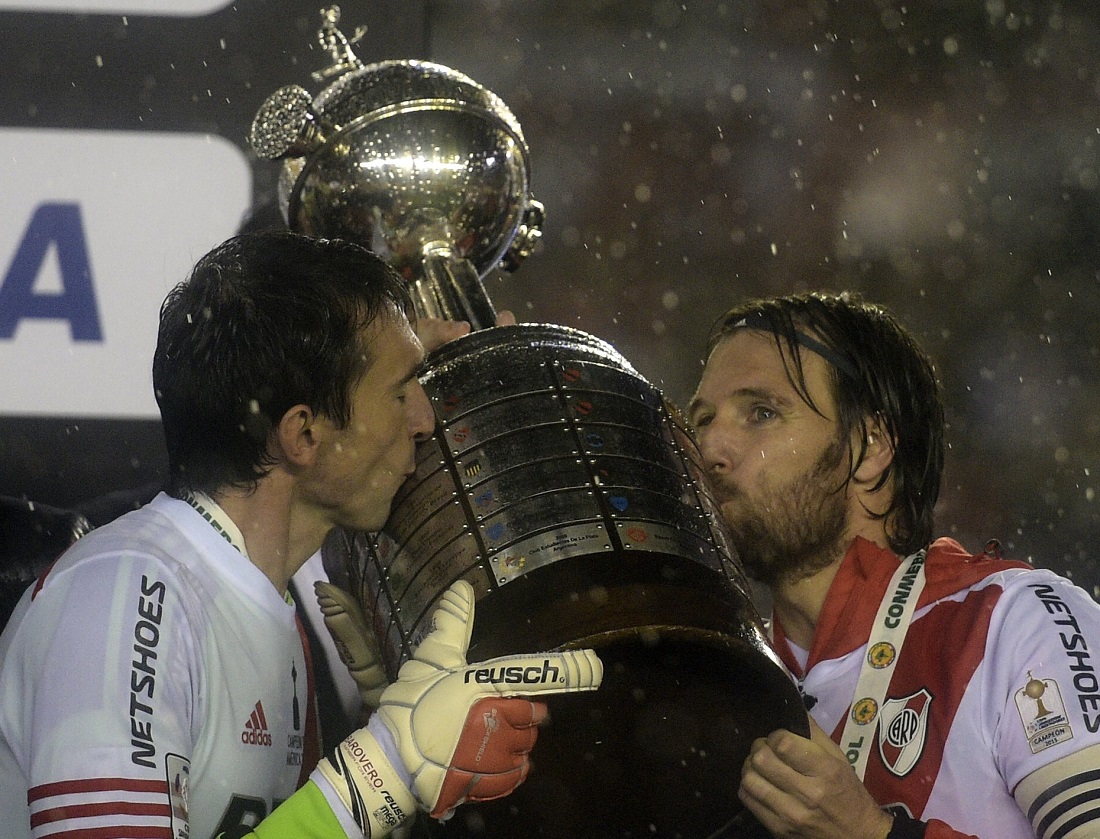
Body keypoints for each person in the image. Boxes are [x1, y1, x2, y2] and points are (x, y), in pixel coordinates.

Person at [0, 231, 602, 839]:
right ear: (303, 435)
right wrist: (377, 776)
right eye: (401, 392)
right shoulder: (125, 593)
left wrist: (386, 745)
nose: (424, 420)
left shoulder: (268, 614)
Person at [687, 291, 1100, 839]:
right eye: (701, 422)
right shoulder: (725, 690)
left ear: (870, 446)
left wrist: (870, 833)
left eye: (761, 413)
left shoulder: (1013, 623)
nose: (711, 448)